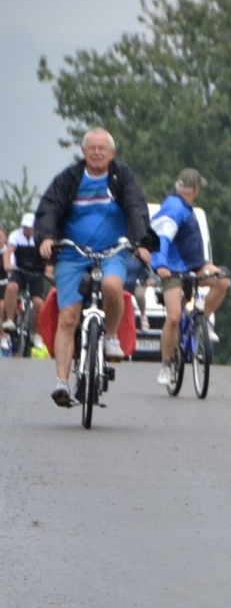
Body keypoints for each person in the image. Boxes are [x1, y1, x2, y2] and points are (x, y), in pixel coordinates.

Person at [35, 128, 155, 406]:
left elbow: (136, 208)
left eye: (103, 148)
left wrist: (143, 243)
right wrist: (47, 237)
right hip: (72, 254)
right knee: (68, 316)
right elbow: (49, 207)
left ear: (112, 153)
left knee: (113, 286)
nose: (97, 152)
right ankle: (62, 382)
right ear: (84, 151)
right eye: (92, 148)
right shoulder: (70, 178)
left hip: (111, 252)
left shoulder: (122, 177)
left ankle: (111, 337)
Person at [151, 168, 231, 387]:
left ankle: (201, 319)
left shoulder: (186, 208)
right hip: (173, 270)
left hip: (195, 266)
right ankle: (167, 365)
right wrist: (160, 265)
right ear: (195, 189)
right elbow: (160, 238)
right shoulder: (174, 208)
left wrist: (209, 267)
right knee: (174, 316)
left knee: (222, 280)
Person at [3, 212, 48, 355]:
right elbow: (8, 251)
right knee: (11, 287)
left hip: (36, 273)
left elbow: (48, 255)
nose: (27, 230)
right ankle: (10, 320)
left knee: (39, 303)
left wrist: (48, 269)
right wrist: (7, 264)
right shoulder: (15, 235)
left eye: (29, 227)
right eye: (25, 227)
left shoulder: (41, 237)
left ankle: (36, 334)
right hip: (20, 270)